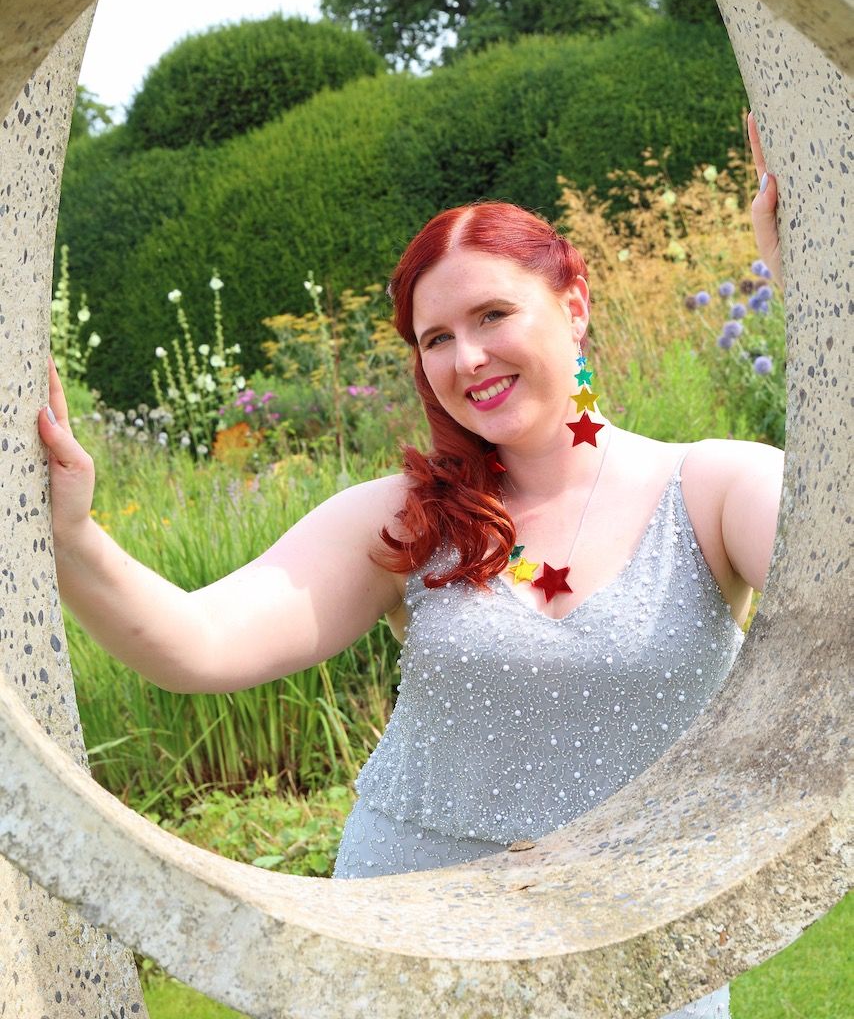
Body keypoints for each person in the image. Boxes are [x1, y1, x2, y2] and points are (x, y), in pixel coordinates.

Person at [38, 113, 783, 1019]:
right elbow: (199, 643)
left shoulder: (715, 488)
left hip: (637, 956)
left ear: (574, 305)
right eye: (435, 338)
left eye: (493, 315)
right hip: (405, 950)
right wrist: (73, 534)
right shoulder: (407, 520)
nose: (468, 358)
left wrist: (815, 287)